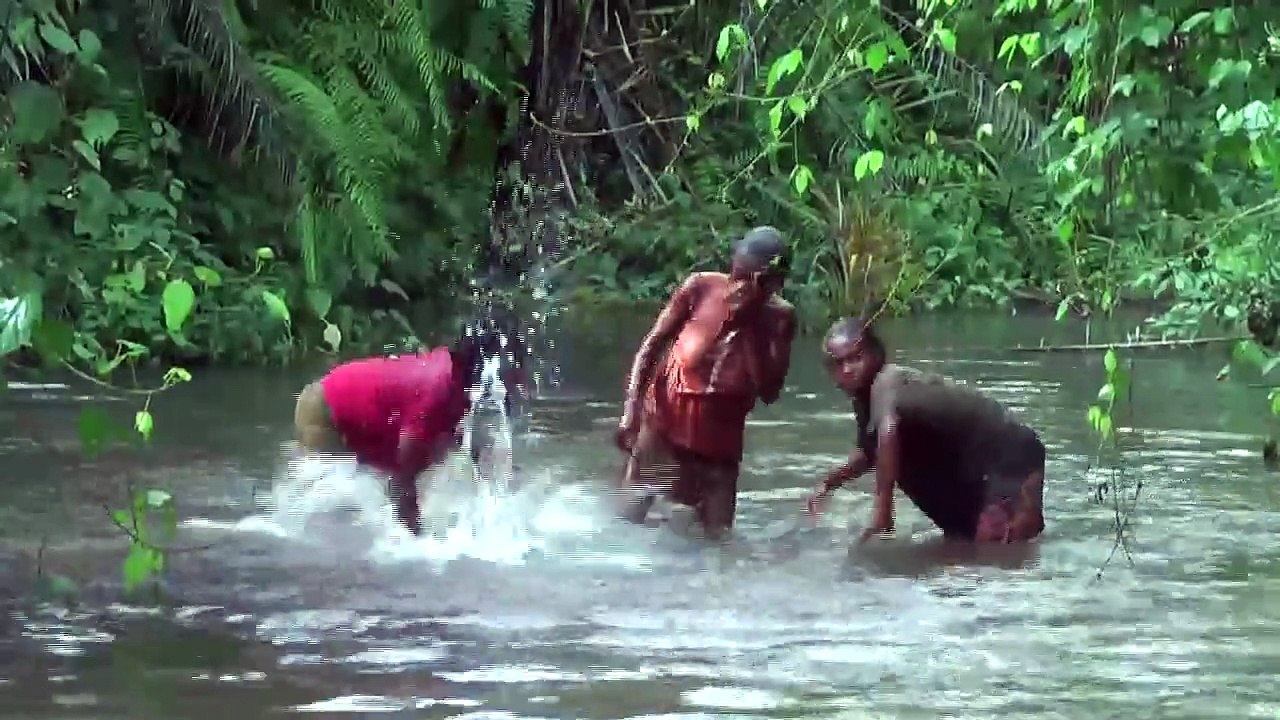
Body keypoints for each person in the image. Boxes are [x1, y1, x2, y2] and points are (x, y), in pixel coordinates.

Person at [615, 226, 799, 539]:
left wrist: (748, 323)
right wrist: (630, 412)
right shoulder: (701, 287)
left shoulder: (779, 318)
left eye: (746, 280)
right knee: (626, 521)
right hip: (666, 424)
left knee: (719, 543)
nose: (735, 286)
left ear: (772, 284)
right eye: (735, 274)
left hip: (720, 442)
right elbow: (652, 345)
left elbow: (769, 391)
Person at [806, 317, 1046, 544]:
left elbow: (888, 432)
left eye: (856, 358)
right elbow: (870, 453)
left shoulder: (887, 381)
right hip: (976, 465)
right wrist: (829, 482)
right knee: (966, 547)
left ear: (877, 354)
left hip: (1009, 454)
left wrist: (883, 511)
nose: (847, 369)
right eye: (839, 364)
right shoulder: (864, 401)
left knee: (998, 547)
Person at [292, 325, 527, 535]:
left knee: (375, 488)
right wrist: (417, 540)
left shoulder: (464, 383)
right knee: (329, 509)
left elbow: (483, 456)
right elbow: (402, 478)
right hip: (324, 409)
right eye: (515, 370)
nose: (520, 379)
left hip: (360, 408)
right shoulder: (437, 395)